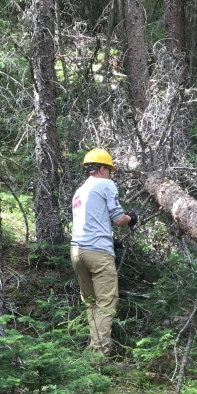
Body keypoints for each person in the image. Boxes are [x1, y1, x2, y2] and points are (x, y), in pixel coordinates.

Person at [70, 148, 138, 357]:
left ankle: (93, 350)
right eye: (109, 170)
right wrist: (131, 217)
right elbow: (118, 219)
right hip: (97, 253)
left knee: (91, 302)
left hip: (77, 251)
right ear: (101, 168)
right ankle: (99, 357)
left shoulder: (80, 191)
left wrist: (110, 240)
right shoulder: (105, 184)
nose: (111, 174)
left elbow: (91, 220)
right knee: (107, 303)